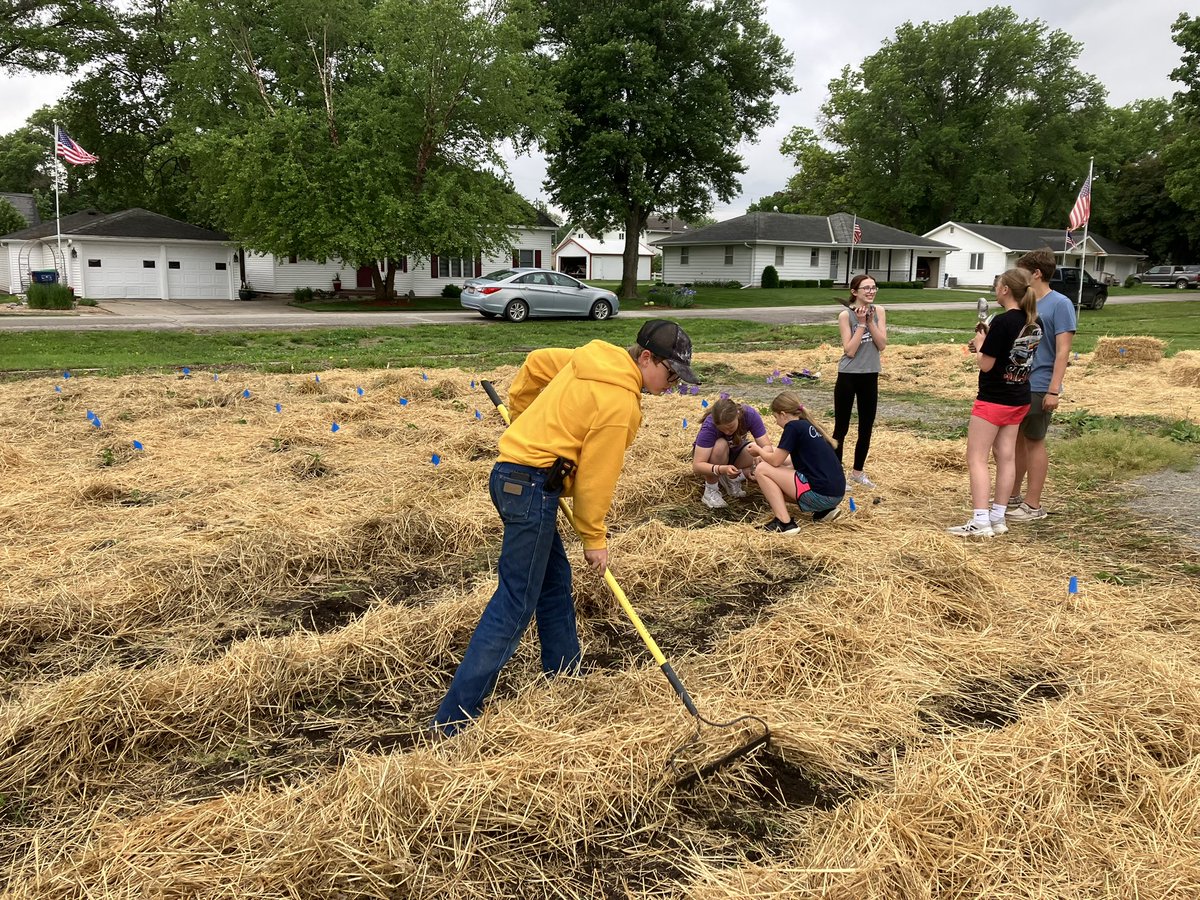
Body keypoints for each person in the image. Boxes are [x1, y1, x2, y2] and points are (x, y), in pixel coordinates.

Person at [432, 320, 701, 736]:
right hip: (532, 488)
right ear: (646, 358)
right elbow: (597, 477)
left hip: (511, 477)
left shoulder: (593, 357)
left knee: (554, 582)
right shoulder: (620, 405)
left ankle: (566, 677)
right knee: (515, 603)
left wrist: (523, 419)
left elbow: (537, 363)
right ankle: (452, 720)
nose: (672, 385)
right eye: (670, 374)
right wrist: (594, 538)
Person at [947, 268, 1043, 538]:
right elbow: (1013, 354)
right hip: (1019, 396)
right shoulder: (1035, 321)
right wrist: (988, 342)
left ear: (1005, 290)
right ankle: (998, 517)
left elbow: (987, 365)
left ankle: (979, 520)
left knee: (976, 457)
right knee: (1006, 457)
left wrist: (980, 344)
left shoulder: (1002, 322)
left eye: (997, 286)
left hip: (993, 399)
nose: (995, 290)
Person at [1009, 248, 1077, 523]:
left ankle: (1033, 504)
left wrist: (1053, 389)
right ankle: (1011, 495)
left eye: (1022, 271)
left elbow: (1063, 351)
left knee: (1034, 441)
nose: (1017, 276)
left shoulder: (1060, 304)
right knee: (1014, 441)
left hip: (1040, 383)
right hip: (1017, 381)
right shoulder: (1025, 302)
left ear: (1036, 273)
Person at [747, 391, 846, 533]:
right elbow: (788, 460)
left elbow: (775, 461)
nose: (776, 422)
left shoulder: (792, 427)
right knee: (776, 464)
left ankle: (784, 522)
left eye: (775, 417)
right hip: (835, 494)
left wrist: (759, 450)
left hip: (820, 495)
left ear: (783, 414)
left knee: (762, 469)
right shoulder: (809, 426)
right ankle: (823, 512)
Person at [833, 274, 888, 489]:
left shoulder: (880, 311)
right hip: (848, 375)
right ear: (855, 292)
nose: (871, 291)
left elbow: (882, 344)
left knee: (866, 426)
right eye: (866, 288)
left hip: (870, 374)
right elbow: (850, 350)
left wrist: (869, 321)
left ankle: (858, 472)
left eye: (874, 287)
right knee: (842, 427)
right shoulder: (845, 316)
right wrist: (862, 325)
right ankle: (837, 474)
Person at [692, 397, 773, 508]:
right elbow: (697, 466)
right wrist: (721, 469)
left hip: (735, 451)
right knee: (720, 445)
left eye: (730, 427)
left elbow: (767, 446)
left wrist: (759, 461)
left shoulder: (749, 415)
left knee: (755, 448)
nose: (727, 432)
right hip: (713, 457)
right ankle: (711, 489)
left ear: (737, 415)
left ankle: (731, 479)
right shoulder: (710, 426)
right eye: (722, 429)